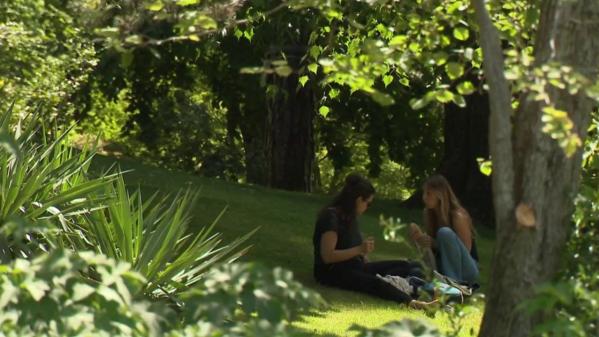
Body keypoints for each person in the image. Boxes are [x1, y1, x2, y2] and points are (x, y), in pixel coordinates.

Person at [313, 173, 435, 309]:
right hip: (333, 272)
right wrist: (359, 250)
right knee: (375, 283)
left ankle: (424, 286)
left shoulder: (349, 217)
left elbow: (351, 245)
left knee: (405, 265)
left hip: (353, 265)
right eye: (368, 203)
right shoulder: (331, 217)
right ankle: (412, 302)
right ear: (359, 200)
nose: (367, 207)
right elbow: (327, 256)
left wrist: (364, 255)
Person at [409, 175, 479, 286]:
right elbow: (433, 249)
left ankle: (453, 285)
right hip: (443, 263)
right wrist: (420, 241)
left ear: (440, 195)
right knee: (415, 270)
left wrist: (435, 243)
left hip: (466, 268)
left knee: (444, 232)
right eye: (424, 193)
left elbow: (466, 250)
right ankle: (439, 281)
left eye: (429, 194)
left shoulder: (458, 215)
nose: (424, 197)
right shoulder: (428, 214)